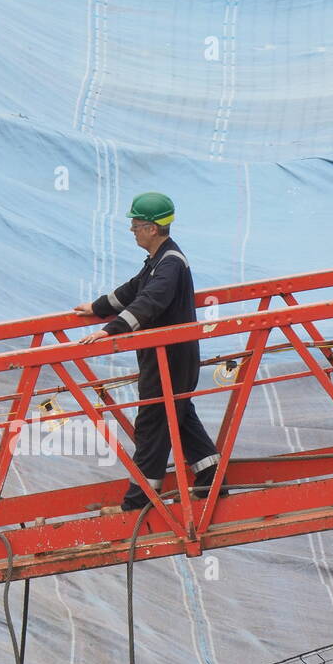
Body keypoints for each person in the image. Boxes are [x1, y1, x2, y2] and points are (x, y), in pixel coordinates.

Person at [73, 192, 225, 511]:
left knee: (152, 423)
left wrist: (109, 329)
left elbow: (149, 302)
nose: (132, 230)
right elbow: (134, 289)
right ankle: (211, 478)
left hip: (169, 357)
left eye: (136, 225)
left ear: (152, 229)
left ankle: (139, 502)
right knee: (177, 414)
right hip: (170, 356)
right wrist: (97, 307)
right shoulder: (161, 259)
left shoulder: (169, 264)